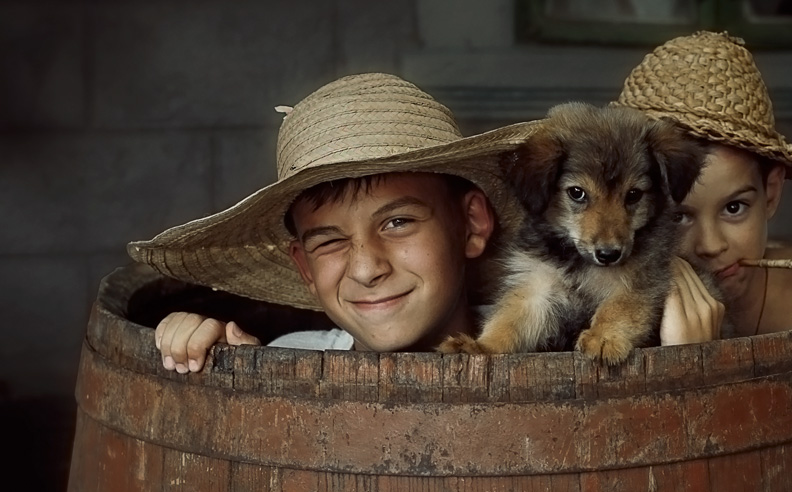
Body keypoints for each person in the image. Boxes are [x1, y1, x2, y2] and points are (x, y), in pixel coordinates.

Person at [128, 73, 537, 373]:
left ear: (472, 222)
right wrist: (227, 366)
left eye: (397, 222)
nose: (366, 268)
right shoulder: (292, 357)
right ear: (304, 265)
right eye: (329, 241)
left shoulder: (548, 348)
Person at [615, 31, 792, 344]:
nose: (711, 245)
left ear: (771, 191)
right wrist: (682, 363)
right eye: (678, 217)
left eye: (734, 208)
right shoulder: (610, 315)